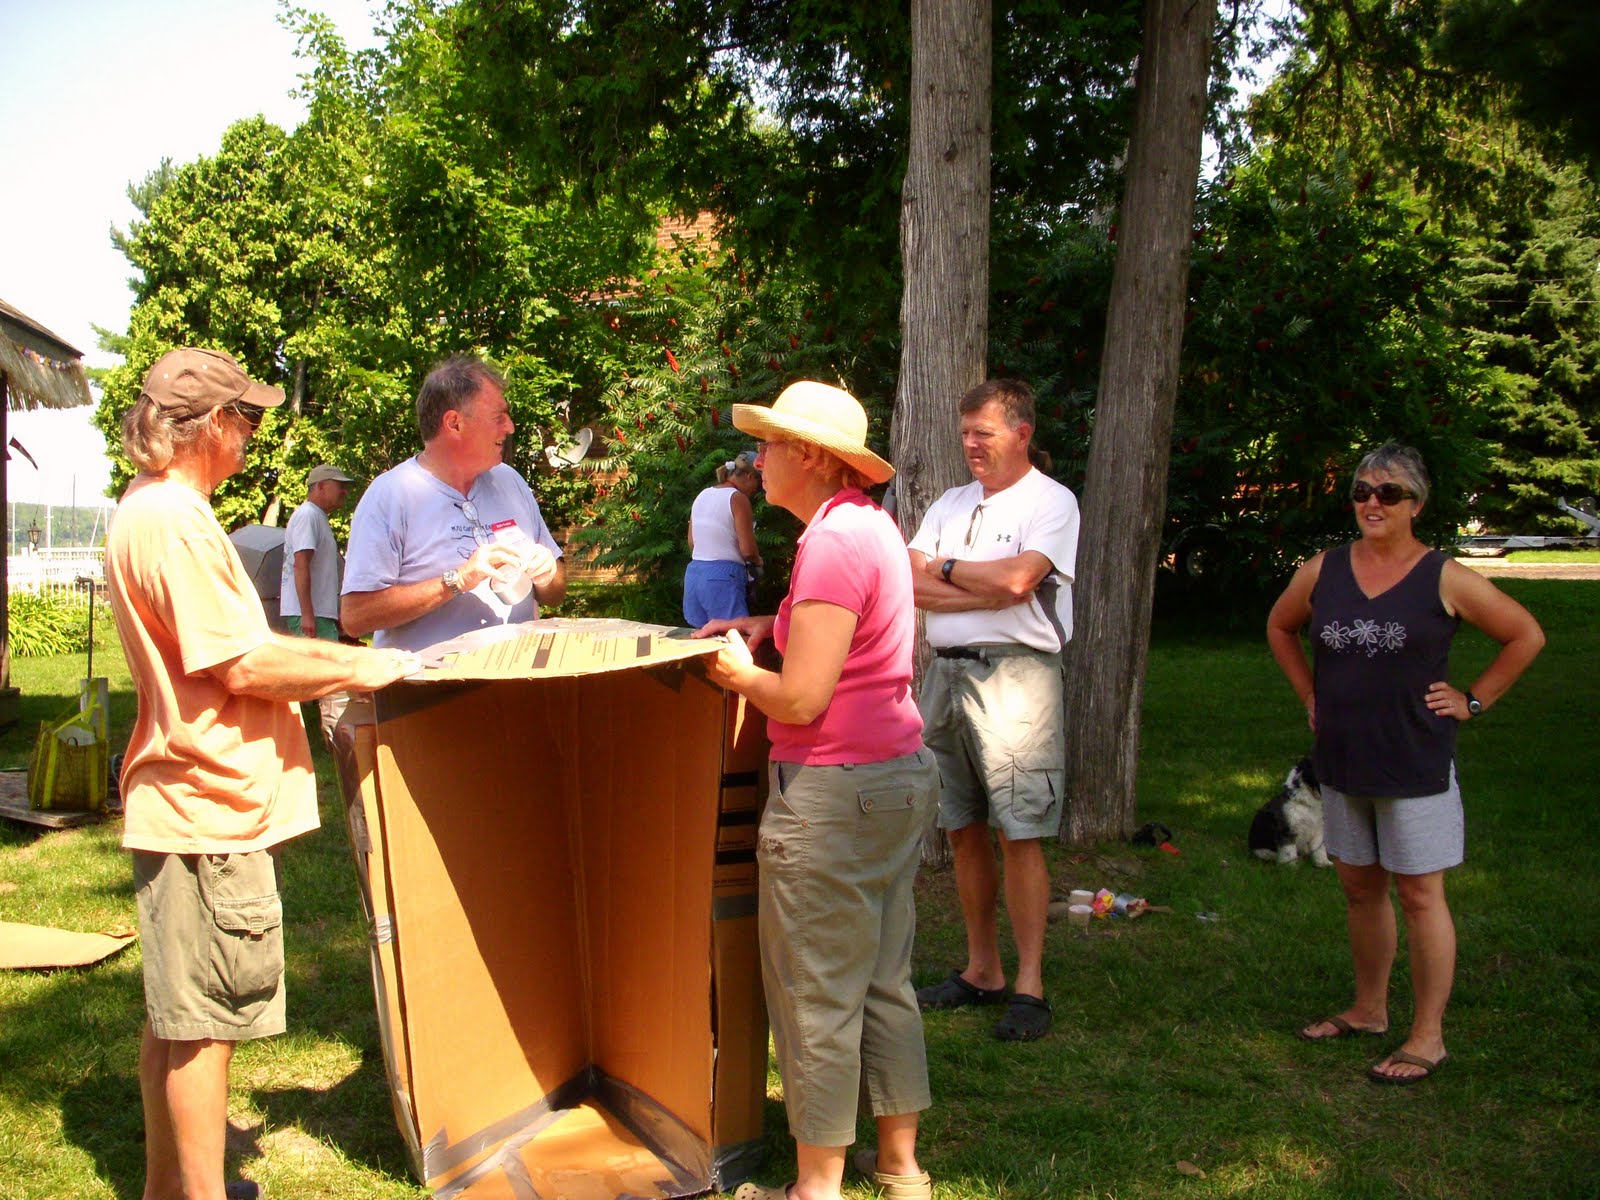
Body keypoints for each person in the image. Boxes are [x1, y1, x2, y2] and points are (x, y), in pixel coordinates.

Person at [104, 347, 420, 1200]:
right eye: (245, 418)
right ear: (207, 426)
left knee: (178, 1020)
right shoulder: (173, 521)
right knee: (205, 1026)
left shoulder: (149, 508)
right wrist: (365, 669)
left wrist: (338, 655)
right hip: (207, 801)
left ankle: (168, 1191)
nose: (252, 434)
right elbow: (241, 665)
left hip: (188, 797)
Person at [695, 381, 939, 1200]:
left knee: (817, 996)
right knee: (881, 981)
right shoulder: (865, 528)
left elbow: (800, 700)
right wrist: (776, 625)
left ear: (808, 456)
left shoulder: (831, 543)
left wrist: (738, 671)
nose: (756, 462)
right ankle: (903, 1171)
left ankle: (814, 1189)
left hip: (834, 794)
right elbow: (852, 641)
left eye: (767, 447)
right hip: (894, 781)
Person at [1267, 442, 1544, 1084]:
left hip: (1414, 761)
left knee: (1420, 894)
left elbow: (1525, 633)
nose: (1372, 502)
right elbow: (1281, 627)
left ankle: (1428, 1036)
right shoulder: (1325, 570)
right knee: (1360, 889)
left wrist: (1474, 699)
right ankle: (1368, 1010)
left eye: (1388, 493)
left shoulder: (1442, 576)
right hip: (1342, 759)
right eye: (1363, 490)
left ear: (1416, 503)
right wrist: (1310, 693)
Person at [906, 378, 1079, 1043]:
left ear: (1022, 433)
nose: (971, 445)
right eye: (965, 433)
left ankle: (1030, 985)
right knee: (961, 826)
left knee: (1020, 829)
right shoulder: (951, 503)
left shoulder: (1050, 502)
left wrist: (949, 574)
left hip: (1016, 680)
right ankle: (983, 971)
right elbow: (909, 578)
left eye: (984, 432)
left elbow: (1017, 581)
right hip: (944, 677)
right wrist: (974, 580)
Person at [341, 356, 566, 651]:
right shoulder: (391, 495)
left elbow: (556, 593)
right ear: (454, 423)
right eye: (499, 417)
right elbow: (355, 617)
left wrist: (548, 574)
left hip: (516, 684)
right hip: (433, 692)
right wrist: (458, 579)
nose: (509, 427)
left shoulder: (510, 481)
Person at [683, 450, 762, 626]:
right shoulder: (737, 498)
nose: (754, 491)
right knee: (735, 637)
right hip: (722, 577)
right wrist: (758, 561)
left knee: (703, 640)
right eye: (757, 484)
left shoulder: (702, 495)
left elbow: (692, 542)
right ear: (749, 476)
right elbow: (748, 550)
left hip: (695, 575)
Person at [279, 462, 354, 641]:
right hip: (311, 615)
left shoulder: (316, 516)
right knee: (324, 668)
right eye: (340, 486)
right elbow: (301, 564)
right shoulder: (308, 515)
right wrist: (307, 614)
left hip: (318, 614)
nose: (345, 492)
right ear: (320, 486)